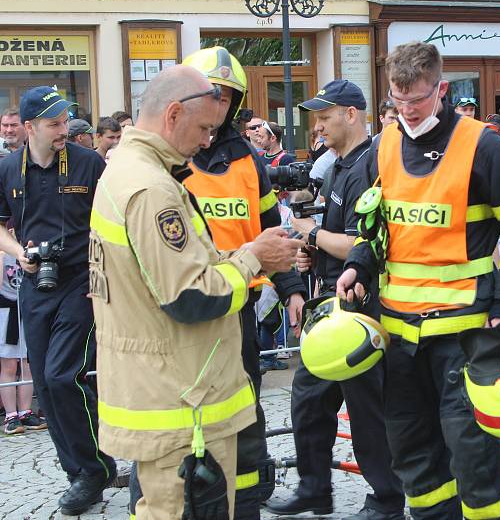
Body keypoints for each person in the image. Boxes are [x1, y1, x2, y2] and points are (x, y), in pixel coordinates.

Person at [337, 41, 500, 520]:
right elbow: (375, 226)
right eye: (397, 101)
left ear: (442, 89)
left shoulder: (483, 146)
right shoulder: (383, 146)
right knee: (413, 454)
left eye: (417, 100)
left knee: (472, 453)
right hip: (401, 336)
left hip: (464, 332)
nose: (407, 112)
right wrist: (359, 266)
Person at [90, 64, 304, 519]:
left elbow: (177, 273)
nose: (209, 140)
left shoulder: (131, 172)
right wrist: (253, 260)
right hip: (181, 402)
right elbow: (192, 297)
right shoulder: (151, 189)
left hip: (169, 390)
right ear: (172, 115)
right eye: (205, 127)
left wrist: (245, 253)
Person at [266, 79, 405, 520]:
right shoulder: (340, 166)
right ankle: (314, 488)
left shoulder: (372, 164)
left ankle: (386, 499)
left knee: (367, 412)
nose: (318, 126)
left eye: (325, 117)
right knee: (308, 398)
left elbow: (367, 244)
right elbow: (338, 242)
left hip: (362, 304)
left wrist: (313, 234)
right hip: (331, 302)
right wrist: (314, 254)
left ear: (352, 114)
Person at [180, 46, 306, 519]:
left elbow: (272, 229)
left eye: (227, 97)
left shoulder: (248, 161)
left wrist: (292, 288)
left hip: (240, 307)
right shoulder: (173, 160)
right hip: (190, 303)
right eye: (211, 94)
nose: (218, 105)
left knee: (246, 398)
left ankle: (249, 492)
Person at [0, 86, 116, 515]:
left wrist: (104, 277)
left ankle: (91, 472)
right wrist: (19, 254)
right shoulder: (8, 168)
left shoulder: (88, 163)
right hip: (34, 284)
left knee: (64, 375)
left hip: (81, 282)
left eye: (65, 121)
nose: (63, 130)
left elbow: (113, 224)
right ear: (29, 128)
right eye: (54, 124)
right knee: (46, 388)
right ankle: (84, 470)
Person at [0, 237, 47, 435]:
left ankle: (26, 411)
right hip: (6, 311)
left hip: (28, 308)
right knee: (9, 364)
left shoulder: (31, 248)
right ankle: (11, 414)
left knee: (29, 363)